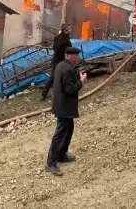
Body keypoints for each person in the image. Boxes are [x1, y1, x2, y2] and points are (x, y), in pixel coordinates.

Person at [45, 46, 87, 176]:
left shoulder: (60, 65)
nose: (78, 58)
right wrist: (81, 81)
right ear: (72, 56)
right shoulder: (67, 69)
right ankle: (51, 163)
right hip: (64, 107)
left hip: (61, 105)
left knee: (69, 129)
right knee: (60, 133)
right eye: (77, 56)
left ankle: (62, 154)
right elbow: (70, 89)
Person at [41, 24, 73, 101]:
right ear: (65, 31)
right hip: (61, 61)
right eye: (69, 29)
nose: (70, 30)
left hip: (55, 60)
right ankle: (61, 94)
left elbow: (54, 48)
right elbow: (68, 52)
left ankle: (44, 94)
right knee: (62, 77)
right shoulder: (66, 41)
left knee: (52, 78)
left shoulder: (57, 37)